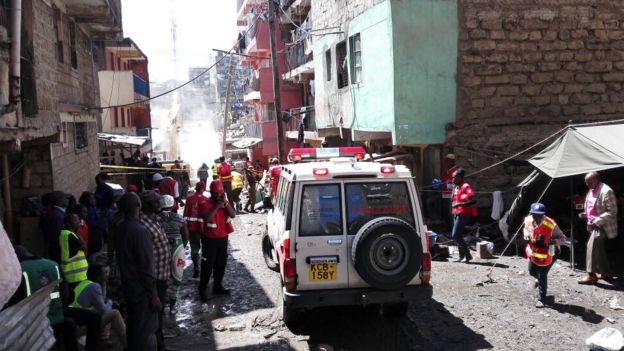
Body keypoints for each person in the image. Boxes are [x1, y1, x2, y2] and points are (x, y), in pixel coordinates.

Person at [115, 192, 159, 351]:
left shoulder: (121, 227)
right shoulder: (139, 230)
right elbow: (146, 266)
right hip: (141, 290)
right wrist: (153, 295)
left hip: (128, 286)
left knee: (134, 327)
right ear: (137, 206)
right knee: (146, 331)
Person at [139, 190, 171, 351]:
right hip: (154, 279)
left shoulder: (152, 220)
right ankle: (157, 346)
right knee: (153, 316)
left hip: (161, 276)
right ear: (148, 205)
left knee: (158, 315)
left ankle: (160, 344)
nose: (159, 203)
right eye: (156, 201)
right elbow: (144, 260)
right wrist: (152, 292)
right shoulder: (143, 225)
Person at [523, 203, 568, 307]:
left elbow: (563, 239)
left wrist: (551, 241)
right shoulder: (528, 220)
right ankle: (538, 279)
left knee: (542, 274)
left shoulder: (551, 224)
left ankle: (542, 299)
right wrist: (527, 236)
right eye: (535, 215)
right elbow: (526, 230)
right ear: (531, 214)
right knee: (532, 271)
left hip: (550, 251)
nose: (537, 218)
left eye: (540, 215)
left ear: (543, 215)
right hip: (535, 251)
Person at [70, 264, 126, 347]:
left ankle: (103, 339)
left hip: (75, 324)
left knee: (104, 307)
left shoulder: (84, 283)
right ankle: (127, 344)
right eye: (104, 273)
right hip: (79, 328)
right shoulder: (94, 287)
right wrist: (110, 301)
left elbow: (102, 302)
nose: (107, 275)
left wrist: (104, 285)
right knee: (114, 313)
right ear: (99, 276)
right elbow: (104, 310)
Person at [198, 180, 236, 301]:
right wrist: (216, 207)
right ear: (212, 193)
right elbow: (206, 219)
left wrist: (225, 203)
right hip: (209, 240)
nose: (218, 196)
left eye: (220, 193)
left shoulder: (224, 202)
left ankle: (217, 286)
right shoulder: (204, 202)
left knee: (221, 264)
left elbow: (233, 215)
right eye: (216, 194)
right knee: (207, 266)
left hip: (223, 238)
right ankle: (202, 290)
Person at [578, 171, 618, 284]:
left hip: (602, 225)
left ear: (596, 179)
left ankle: (591, 275)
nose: (587, 184)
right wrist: (585, 214)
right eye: (586, 182)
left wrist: (596, 220)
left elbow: (612, 212)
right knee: (599, 249)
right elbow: (591, 205)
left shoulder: (607, 191)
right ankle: (606, 273)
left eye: (589, 181)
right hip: (592, 224)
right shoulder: (592, 189)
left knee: (591, 246)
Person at [159, 195, 189, 314]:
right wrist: (182, 246)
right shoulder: (179, 218)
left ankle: (161, 302)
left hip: (161, 248)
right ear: (173, 205)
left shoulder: (156, 219)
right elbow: (186, 237)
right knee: (176, 276)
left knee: (162, 276)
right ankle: (172, 306)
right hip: (177, 248)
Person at [183, 182, 210, 278]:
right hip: (203, 229)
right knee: (205, 248)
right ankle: (205, 267)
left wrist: (184, 228)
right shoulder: (206, 200)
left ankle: (196, 268)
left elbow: (185, 215)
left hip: (192, 228)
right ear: (203, 189)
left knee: (194, 248)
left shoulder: (189, 199)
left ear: (196, 188)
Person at [450, 168, 478, 263]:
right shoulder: (456, 187)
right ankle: (462, 256)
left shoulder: (466, 186)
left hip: (463, 214)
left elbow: (473, 200)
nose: (453, 179)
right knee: (458, 235)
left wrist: (460, 204)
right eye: (452, 177)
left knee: (455, 235)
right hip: (456, 213)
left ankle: (468, 254)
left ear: (460, 178)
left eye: (455, 177)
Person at [60, 214, 89, 288]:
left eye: (79, 220)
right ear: (68, 223)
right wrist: (78, 232)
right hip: (76, 274)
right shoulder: (69, 235)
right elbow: (84, 247)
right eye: (75, 220)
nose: (79, 222)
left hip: (74, 274)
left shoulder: (64, 234)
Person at [41, 191, 68, 263]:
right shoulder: (56, 215)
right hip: (58, 249)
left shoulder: (58, 212)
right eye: (65, 198)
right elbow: (58, 234)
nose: (67, 200)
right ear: (59, 200)